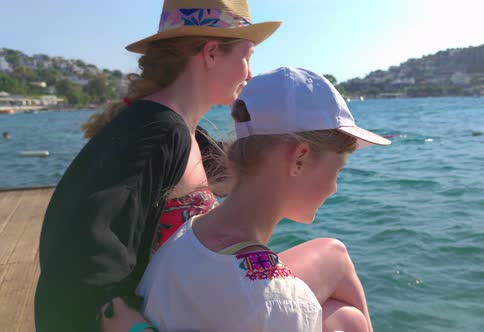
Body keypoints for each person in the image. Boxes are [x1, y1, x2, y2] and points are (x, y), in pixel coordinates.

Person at [34, 1, 281, 331]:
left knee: (332, 263)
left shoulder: (184, 130)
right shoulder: (158, 132)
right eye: (247, 58)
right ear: (210, 53)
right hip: (155, 316)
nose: (250, 74)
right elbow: (81, 258)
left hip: (176, 304)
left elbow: (236, 176)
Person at [136, 67, 391, 331]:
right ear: (299, 159)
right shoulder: (280, 305)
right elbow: (270, 307)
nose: (334, 188)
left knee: (345, 318)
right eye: (337, 170)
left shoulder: (185, 235)